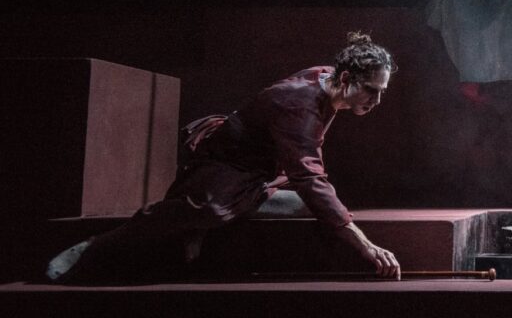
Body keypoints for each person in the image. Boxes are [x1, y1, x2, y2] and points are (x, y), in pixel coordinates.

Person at [47, 32, 402, 283]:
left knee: (314, 207)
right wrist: (364, 244)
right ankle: (95, 247)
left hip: (263, 174)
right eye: (371, 90)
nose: (376, 101)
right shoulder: (300, 104)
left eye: (382, 91)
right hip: (226, 165)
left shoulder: (329, 81)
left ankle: (210, 228)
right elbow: (309, 176)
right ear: (345, 77)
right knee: (210, 210)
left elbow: (306, 173)